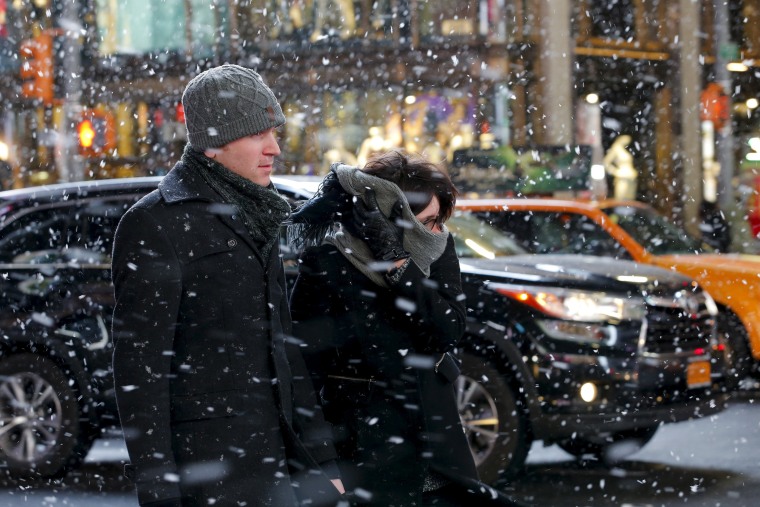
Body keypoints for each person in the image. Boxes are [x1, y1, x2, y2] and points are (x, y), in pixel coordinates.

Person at [111, 64, 344, 507]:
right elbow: (141, 371)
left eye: (274, 133)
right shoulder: (154, 223)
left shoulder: (262, 213)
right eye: (258, 134)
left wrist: (322, 460)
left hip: (282, 464)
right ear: (214, 143)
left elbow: (284, 348)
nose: (274, 148)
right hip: (210, 469)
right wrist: (158, 488)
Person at [288, 151, 513, 506]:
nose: (436, 231)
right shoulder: (329, 260)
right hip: (365, 441)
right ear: (394, 217)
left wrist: (399, 265)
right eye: (427, 221)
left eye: (439, 220)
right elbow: (303, 371)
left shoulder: (436, 249)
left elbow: (447, 329)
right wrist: (323, 461)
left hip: (435, 434)